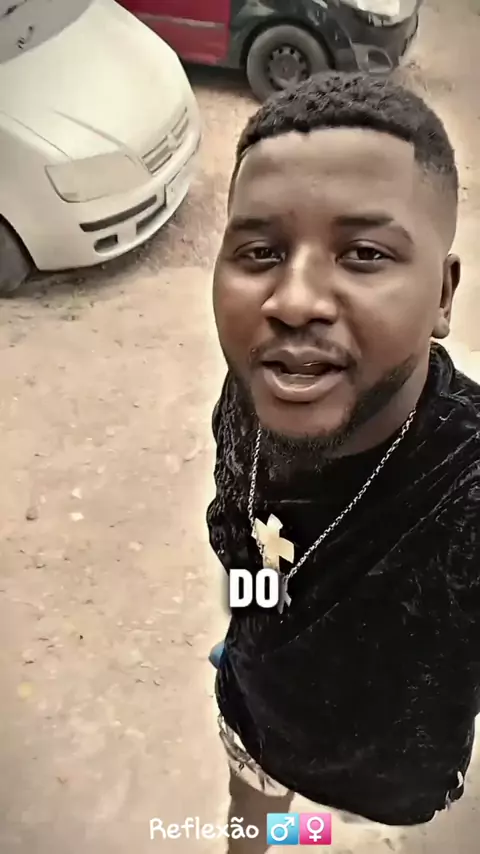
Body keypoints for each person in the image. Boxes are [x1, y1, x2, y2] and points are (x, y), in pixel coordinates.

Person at [207, 72, 480, 851]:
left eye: (363, 253)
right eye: (261, 251)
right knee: (251, 833)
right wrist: (254, 632)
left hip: (385, 789)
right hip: (252, 716)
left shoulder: (466, 493)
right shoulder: (258, 389)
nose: (293, 301)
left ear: (442, 296)